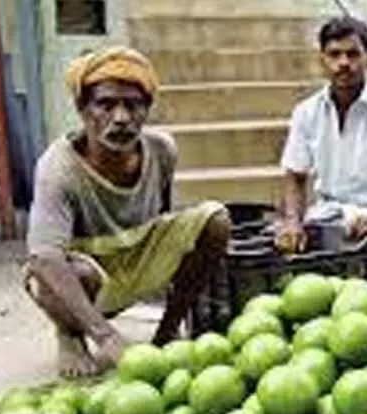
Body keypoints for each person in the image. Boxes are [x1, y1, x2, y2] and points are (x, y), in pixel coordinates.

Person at [24, 47, 231, 377]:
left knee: (215, 220)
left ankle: (167, 332)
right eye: (105, 104)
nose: (120, 118)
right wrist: (105, 336)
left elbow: (161, 218)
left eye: (132, 105)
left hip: (135, 255)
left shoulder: (162, 151)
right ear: (82, 109)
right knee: (55, 269)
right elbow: (44, 257)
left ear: (146, 110)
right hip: (87, 276)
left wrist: (168, 266)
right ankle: (70, 334)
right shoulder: (59, 167)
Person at [276, 16, 367, 252]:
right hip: (326, 220)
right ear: (322, 61)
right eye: (334, 54)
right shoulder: (306, 112)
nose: (344, 63)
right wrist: (292, 221)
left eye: (353, 54)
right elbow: (295, 175)